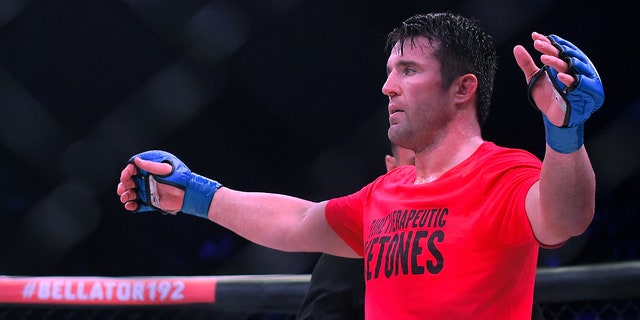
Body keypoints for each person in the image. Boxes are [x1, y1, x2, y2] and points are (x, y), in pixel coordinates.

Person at [117, 12, 604, 319]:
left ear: (462, 88)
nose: (388, 87)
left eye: (408, 71)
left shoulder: (502, 174)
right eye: (389, 73)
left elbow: (565, 216)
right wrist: (197, 195)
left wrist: (563, 135)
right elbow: (296, 222)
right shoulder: (383, 195)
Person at [296, 143, 415, 320]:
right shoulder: (357, 240)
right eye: (416, 165)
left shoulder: (469, 234)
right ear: (392, 169)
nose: (435, 175)